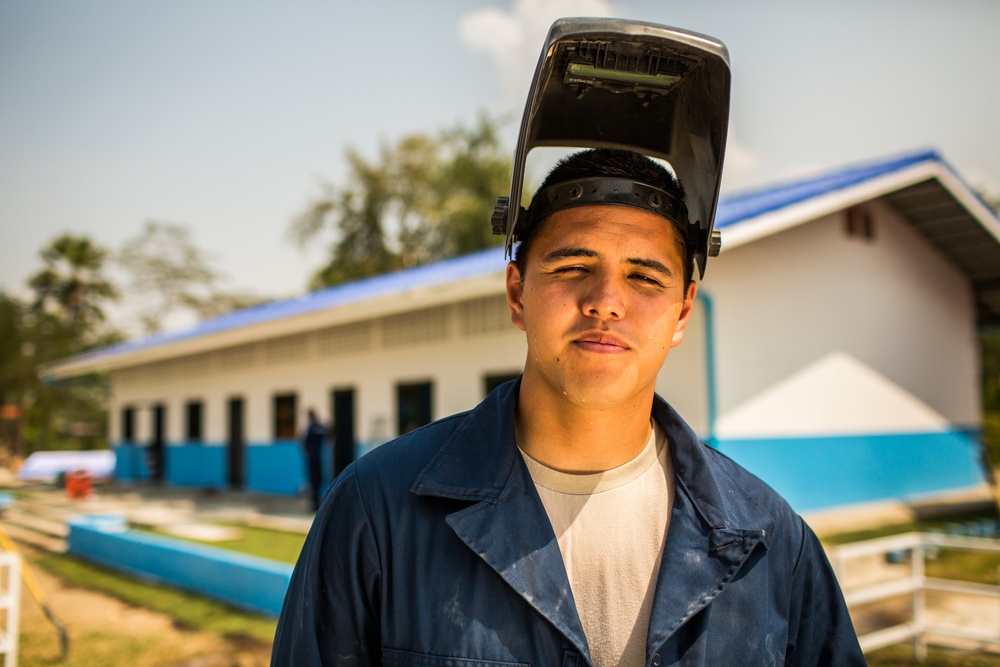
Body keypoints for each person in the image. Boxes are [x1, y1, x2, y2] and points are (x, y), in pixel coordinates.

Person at [271, 149, 866, 665]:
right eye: (573, 267)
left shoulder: (770, 541)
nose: (606, 302)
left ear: (683, 312)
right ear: (516, 293)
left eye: (644, 278)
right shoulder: (377, 512)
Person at [301, 409, 327, 512]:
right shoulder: (321, 427)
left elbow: (306, 444)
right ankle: (319, 503)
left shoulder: (311, 427)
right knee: (319, 482)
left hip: (312, 459)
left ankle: (314, 505)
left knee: (313, 483)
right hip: (320, 458)